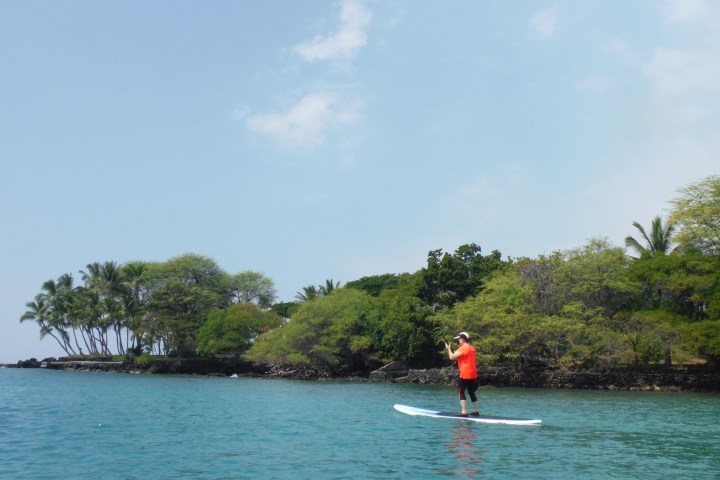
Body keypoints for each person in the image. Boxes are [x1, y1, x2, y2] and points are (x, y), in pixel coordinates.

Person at [445, 331, 479, 417]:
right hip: (473, 373)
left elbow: (451, 357)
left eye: (459, 339)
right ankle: (476, 411)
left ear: (463, 339)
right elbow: (462, 357)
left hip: (465, 373)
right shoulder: (472, 348)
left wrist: (448, 349)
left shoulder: (463, 348)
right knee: (471, 391)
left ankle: (464, 412)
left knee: (460, 391)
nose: (458, 341)